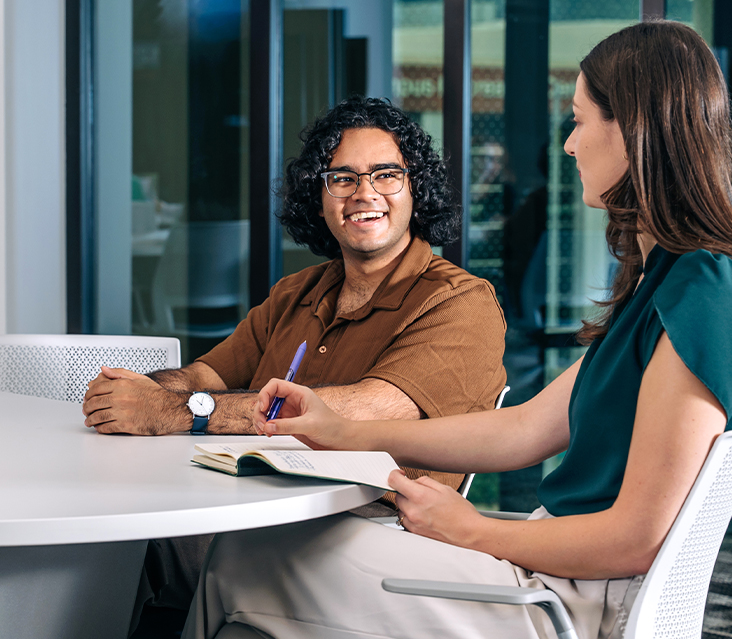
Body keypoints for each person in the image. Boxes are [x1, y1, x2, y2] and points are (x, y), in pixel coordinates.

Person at [181, 21, 732, 639]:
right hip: (553, 567)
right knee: (259, 557)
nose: (570, 145)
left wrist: (467, 528)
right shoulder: (671, 283)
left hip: (570, 601)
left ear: (633, 130)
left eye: (579, 121)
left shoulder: (706, 293)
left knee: (242, 557)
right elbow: (526, 428)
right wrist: (345, 432)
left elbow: (635, 539)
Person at [83, 96, 507, 628]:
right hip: (250, 502)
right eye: (343, 179)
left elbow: (362, 411)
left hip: (364, 529)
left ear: (416, 187)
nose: (365, 193)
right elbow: (202, 376)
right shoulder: (298, 292)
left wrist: (177, 412)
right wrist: (134, 392)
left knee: (128, 547)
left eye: (386, 175)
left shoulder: (460, 302)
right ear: (320, 195)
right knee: (112, 544)